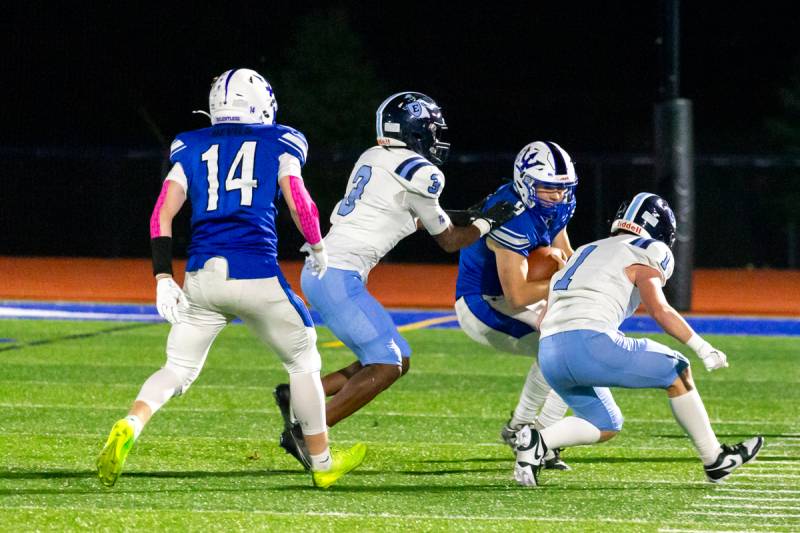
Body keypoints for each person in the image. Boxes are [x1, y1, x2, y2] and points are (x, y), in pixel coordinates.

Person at [95, 68, 365, 490]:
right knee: (304, 359)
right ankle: (323, 461)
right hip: (256, 272)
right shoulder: (282, 140)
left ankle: (131, 422)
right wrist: (316, 245)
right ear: (261, 105)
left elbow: (162, 213)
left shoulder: (190, 144)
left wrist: (163, 276)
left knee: (177, 368)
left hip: (202, 276)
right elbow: (298, 198)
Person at [273, 91, 517, 469]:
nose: (436, 138)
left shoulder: (373, 157)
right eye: (432, 129)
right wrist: (487, 221)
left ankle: (303, 396)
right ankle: (308, 432)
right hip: (340, 275)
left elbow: (415, 214)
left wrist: (472, 214)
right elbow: (450, 241)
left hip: (323, 269)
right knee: (385, 364)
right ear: (415, 130)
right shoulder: (423, 172)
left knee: (397, 358)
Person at [514, 192, 764, 486]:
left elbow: (544, 319)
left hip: (550, 353)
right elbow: (660, 309)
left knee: (605, 422)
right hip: (589, 342)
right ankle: (715, 460)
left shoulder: (584, 250)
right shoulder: (648, 249)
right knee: (677, 370)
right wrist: (702, 346)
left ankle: (536, 442)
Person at [453, 141, 578, 470]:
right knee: (561, 351)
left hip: (515, 296)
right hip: (482, 302)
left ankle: (539, 436)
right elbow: (518, 296)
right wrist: (561, 281)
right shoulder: (512, 215)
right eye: (548, 187)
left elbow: (565, 255)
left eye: (562, 188)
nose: (556, 195)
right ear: (525, 182)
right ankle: (524, 432)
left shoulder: (558, 204)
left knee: (577, 345)